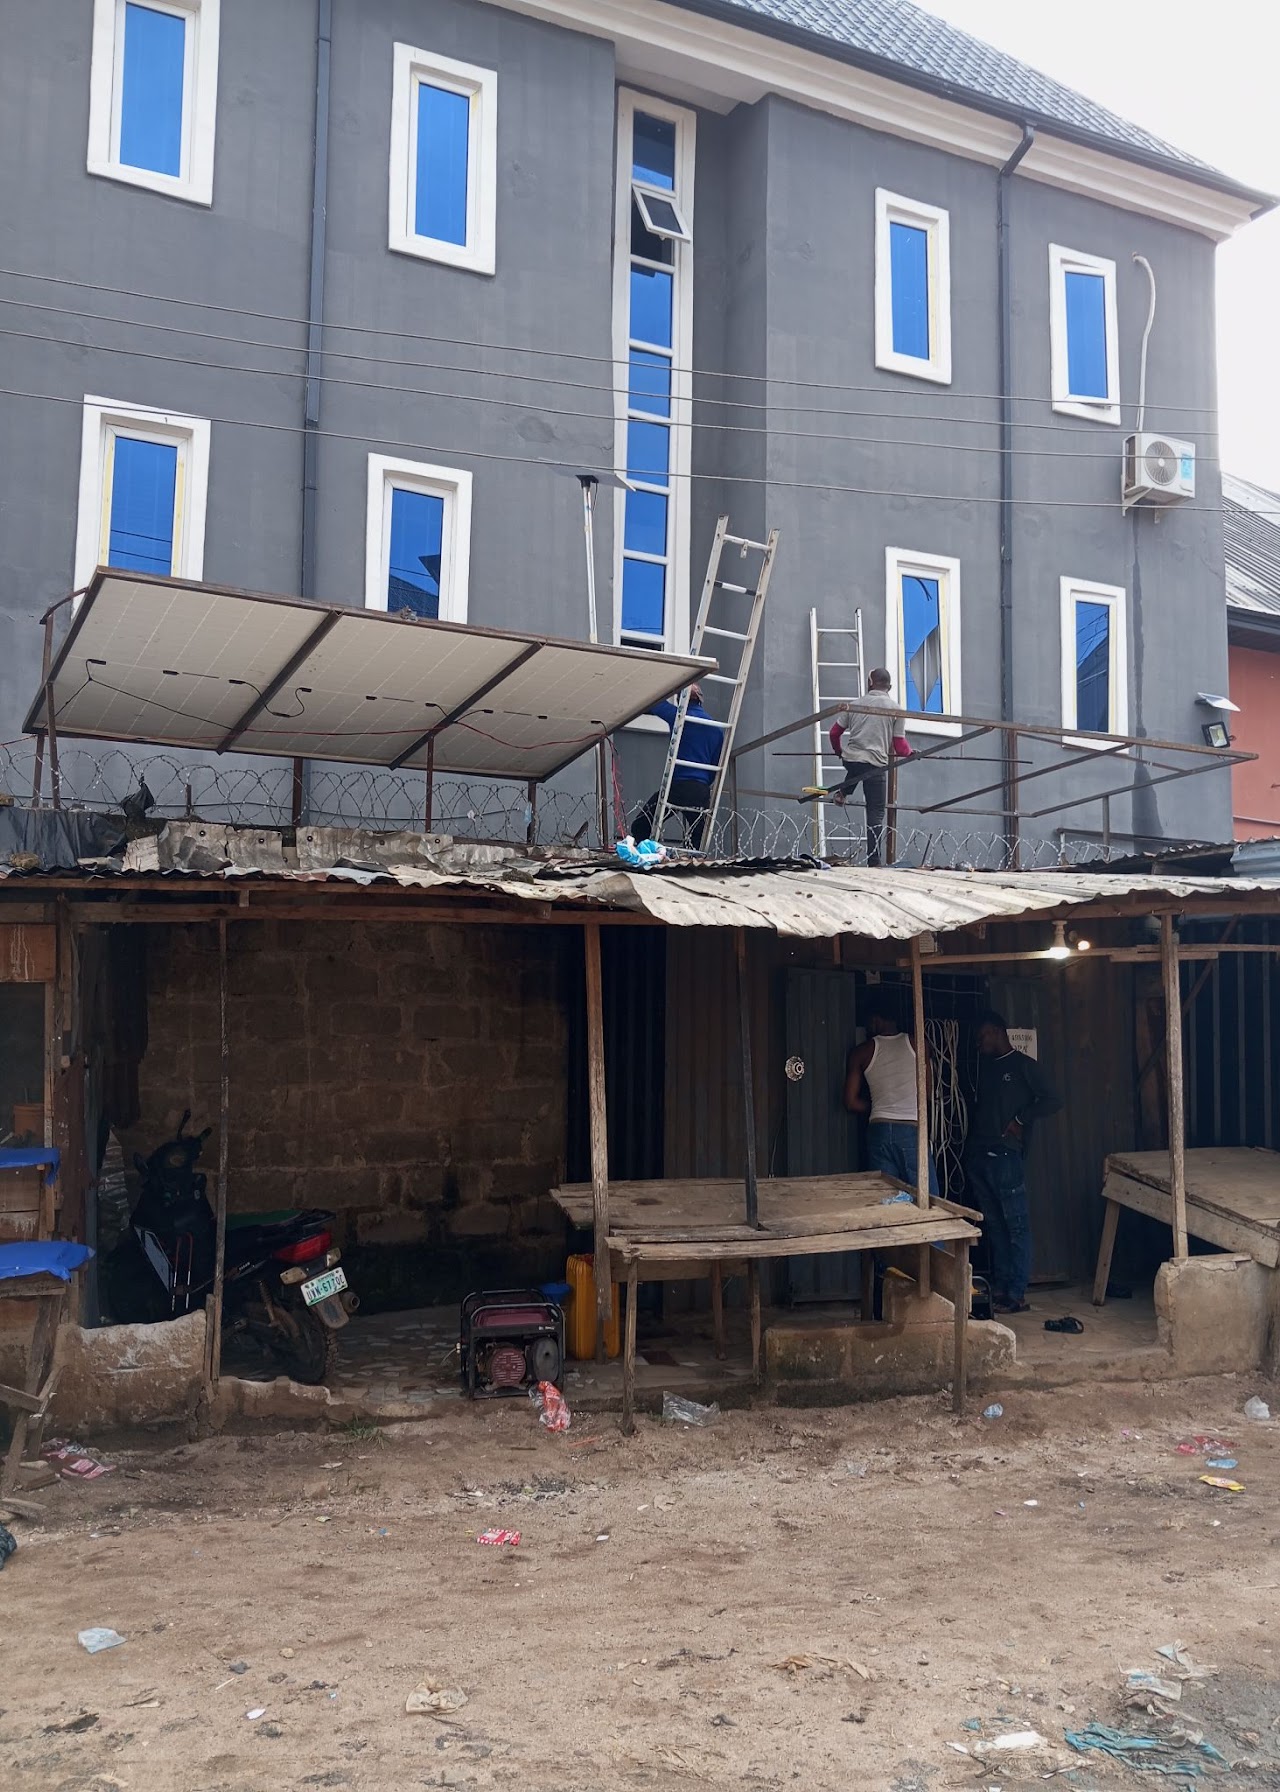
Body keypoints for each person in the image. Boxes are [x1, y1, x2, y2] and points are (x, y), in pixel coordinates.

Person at [964, 1011, 1063, 1314]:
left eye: (982, 1037)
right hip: (979, 1155)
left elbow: (1053, 1099)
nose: (979, 1044)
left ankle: (1017, 1294)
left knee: (1016, 1226)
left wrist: (1021, 1119)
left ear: (997, 1031)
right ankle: (1001, 1288)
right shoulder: (983, 1068)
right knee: (995, 1226)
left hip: (1006, 1155)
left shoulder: (1023, 1066)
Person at [800, 668, 908, 867]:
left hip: (851, 760)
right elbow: (900, 745)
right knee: (876, 812)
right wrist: (911, 753)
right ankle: (874, 861)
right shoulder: (896, 709)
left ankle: (843, 792)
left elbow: (834, 733)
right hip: (875, 764)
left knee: (858, 768)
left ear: (870, 683)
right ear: (890, 687)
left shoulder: (854, 705)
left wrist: (838, 751)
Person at [843, 998, 939, 1194]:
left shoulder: (862, 1052)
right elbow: (928, 1092)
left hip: (879, 1130)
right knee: (927, 1197)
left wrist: (879, 1106)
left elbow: (850, 1102)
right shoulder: (919, 1044)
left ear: (876, 1020)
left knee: (885, 1196)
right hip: (910, 1129)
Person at [632, 683, 721, 849]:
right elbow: (715, 766)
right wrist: (702, 783)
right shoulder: (717, 729)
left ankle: (648, 853)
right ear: (701, 700)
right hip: (700, 789)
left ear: (681, 699)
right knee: (699, 839)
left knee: (641, 825)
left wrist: (671, 686)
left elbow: (655, 703)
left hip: (677, 787)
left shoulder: (678, 716)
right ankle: (695, 862)